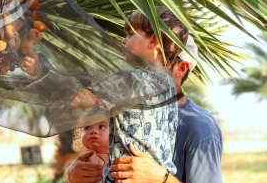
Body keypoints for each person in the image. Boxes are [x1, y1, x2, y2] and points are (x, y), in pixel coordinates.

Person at [23, 7, 190, 182]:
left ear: (153, 40)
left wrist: (41, 71)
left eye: (130, 35)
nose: (123, 41)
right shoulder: (169, 87)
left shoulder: (132, 81)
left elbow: (77, 98)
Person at [66, 34, 223, 183]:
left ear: (180, 69)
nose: (139, 72)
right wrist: (74, 175)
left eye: (150, 64)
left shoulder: (199, 127)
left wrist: (161, 178)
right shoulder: (118, 112)